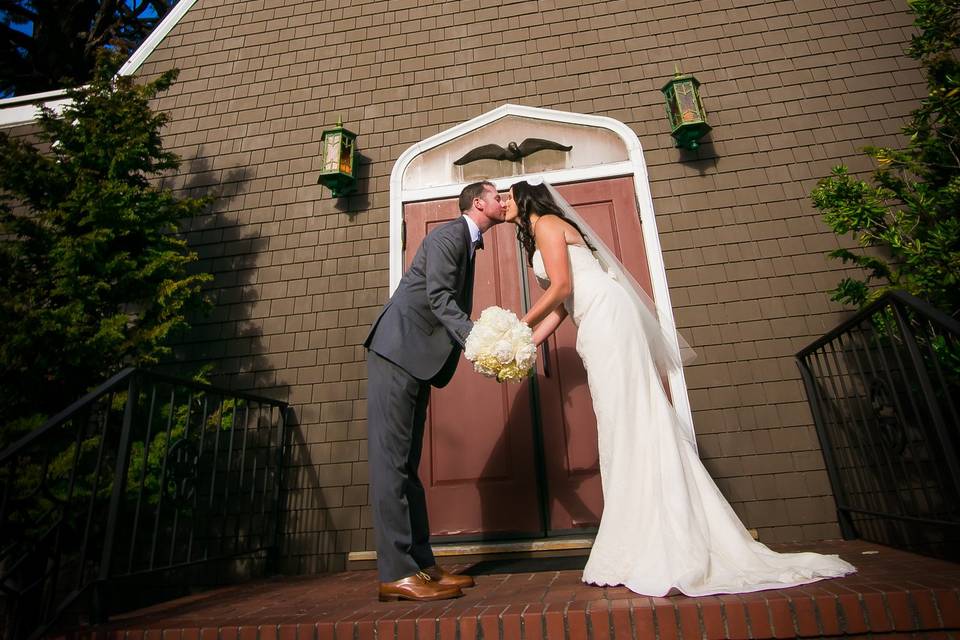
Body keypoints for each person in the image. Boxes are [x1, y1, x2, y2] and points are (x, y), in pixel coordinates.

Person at [503, 179, 856, 596]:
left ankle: (653, 537)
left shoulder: (544, 221)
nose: (504, 203)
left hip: (607, 318)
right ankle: (642, 529)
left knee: (627, 416)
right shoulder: (542, 230)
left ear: (525, 199)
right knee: (623, 419)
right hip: (595, 318)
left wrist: (515, 325)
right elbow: (563, 305)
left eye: (508, 196)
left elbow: (561, 287)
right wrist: (522, 345)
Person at [364, 181, 506, 601]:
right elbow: (441, 298)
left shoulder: (467, 239)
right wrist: (481, 344)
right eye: (498, 196)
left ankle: (422, 566)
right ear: (478, 203)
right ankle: (396, 573)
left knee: (407, 465)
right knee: (391, 465)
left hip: (415, 360)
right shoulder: (449, 235)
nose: (504, 202)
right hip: (397, 352)